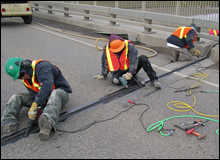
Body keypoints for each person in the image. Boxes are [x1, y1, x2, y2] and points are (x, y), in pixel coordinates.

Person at [1, 57, 72, 140]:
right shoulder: (25, 79)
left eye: (22, 74)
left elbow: (47, 85)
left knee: (55, 93)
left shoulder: (42, 67)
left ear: (25, 66)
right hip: (43, 98)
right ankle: (8, 121)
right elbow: (33, 93)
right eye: (19, 77)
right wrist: (38, 107)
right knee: (16, 97)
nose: (22, 78)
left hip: (60, 95)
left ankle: (48, 122)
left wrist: (36, 103)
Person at [93, 33, 161, 88]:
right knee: (115, 81)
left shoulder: (129, 46)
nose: (118, 51)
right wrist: (103, 75)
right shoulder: (107, 50)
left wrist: (130, 73)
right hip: (118, 72)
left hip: (130, 69)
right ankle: (136, 80)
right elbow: (105, 63)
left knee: (143, 58)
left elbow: (134, 61)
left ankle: (154, 80)